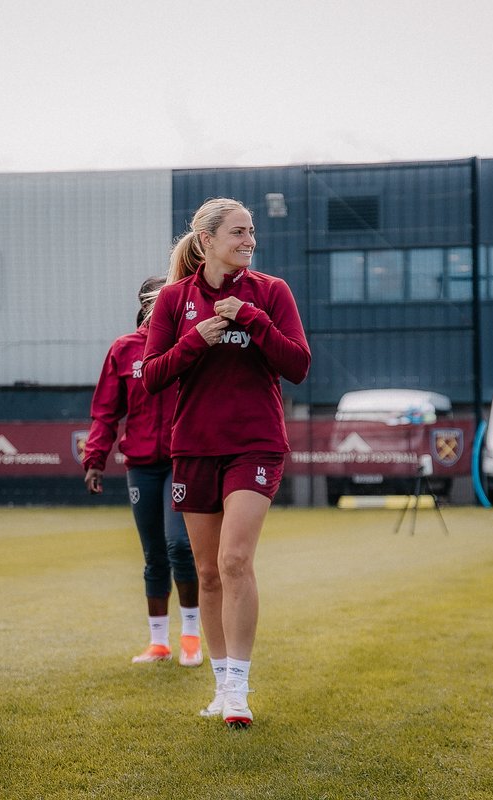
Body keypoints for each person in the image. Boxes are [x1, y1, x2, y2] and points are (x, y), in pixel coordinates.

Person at [143, 198, 311, 728]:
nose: (249, 240)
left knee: (236, 560)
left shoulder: (271, 293)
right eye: (239, 232)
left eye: (252, 232)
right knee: (209, 572)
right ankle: (220, 685)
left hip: (255, 444)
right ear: (208, 240)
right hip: (193, 447)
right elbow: (150, 376)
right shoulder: (174, 300)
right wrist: (196, 340)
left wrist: (253, 321)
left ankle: (238, 689)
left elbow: (299, 365)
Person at [83, 276, 202, 668]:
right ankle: (158, 643)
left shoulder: (188, 344)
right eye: (152, 300)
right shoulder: (124, 350)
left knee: (180, 546)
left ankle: (190, 637)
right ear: (142, 303)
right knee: (154, 556)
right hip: (141, 466)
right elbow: (105, 412)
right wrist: (95, 459)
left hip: (182, 461)